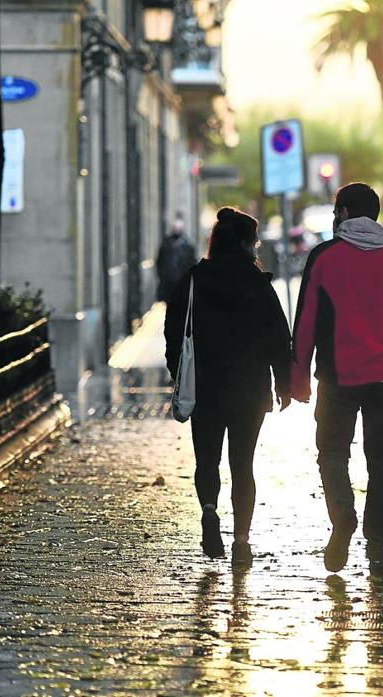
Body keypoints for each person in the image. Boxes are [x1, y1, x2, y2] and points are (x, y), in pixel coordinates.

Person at [290, 182, 383, 574]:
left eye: (337, 211)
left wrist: (297, 379)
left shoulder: (324, 257)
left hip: (336, 380)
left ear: (346, 213)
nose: (335, 218)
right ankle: (379, 548)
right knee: (381, 463)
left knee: (332, 454)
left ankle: (343, 518)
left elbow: (306, 323)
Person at [164, 207, 291, 567]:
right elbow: (279, 338)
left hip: (204, 388)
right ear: (244, 244)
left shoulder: (192, 280)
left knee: (207, 459)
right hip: (249, 390)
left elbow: (174, 331)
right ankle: (241, 540)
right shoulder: (258, 284)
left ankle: (208, 511)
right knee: (242, 465)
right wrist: (284, 382)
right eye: (254, 241)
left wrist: (179, 373)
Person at [157, 214, 198, 302]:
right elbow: (160, 262)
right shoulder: (166, 245)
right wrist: (162, 276)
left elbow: (193, 263)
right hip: (169, 282)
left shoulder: (188, 247)